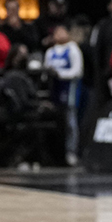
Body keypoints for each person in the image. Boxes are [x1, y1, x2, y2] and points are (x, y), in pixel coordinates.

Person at [43, 24, 84, 166]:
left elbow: (77, 71)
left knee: (71, 123)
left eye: (62, 31)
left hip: (69, 90)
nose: (60, 34)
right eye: (57, 31)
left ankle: (71, 151)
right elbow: (46, 69)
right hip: (55, 90)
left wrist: (60, 74)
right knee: (56, 122)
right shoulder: (50, 52)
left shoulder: (73, 49)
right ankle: (56, 154)